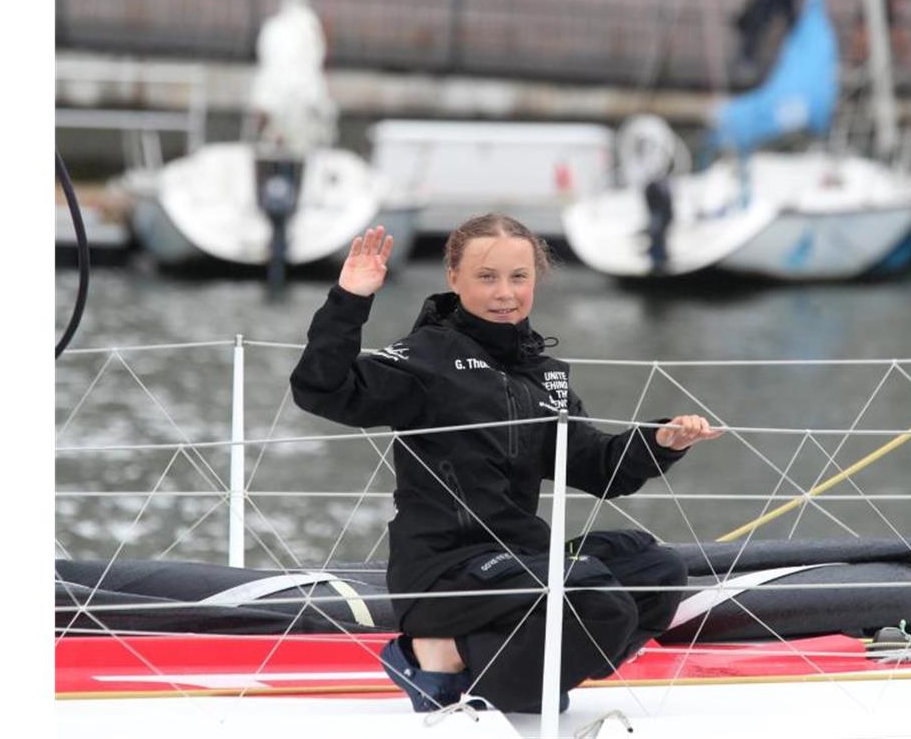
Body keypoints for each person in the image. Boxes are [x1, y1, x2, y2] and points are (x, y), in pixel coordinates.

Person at [290, 215, 721, 713]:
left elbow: (599, 469)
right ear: (453, 278)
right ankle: (434, 654)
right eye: (487, 277)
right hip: (445, 572)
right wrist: (351, 298)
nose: (505, 293)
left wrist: (662, 440)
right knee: (596, 599)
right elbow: (321, 389)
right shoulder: (425, 359)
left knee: (656, 570)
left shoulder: (543, 375)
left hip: (517, 565)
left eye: (518, 277)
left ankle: (496, 666)